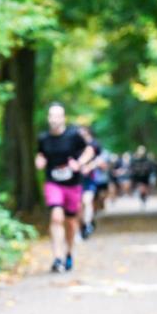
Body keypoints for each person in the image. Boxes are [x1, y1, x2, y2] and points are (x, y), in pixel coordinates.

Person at [35, 103, 94, 272]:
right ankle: (57, 257)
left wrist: (80, 163)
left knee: (70, 221)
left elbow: (89, 150)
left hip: (72, 184)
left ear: (63, 118)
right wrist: (39, 160)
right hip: (53, 183)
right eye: (51, 116)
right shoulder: (43, 138)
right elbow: (40, 154)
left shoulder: (74, 135)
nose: (54, 119)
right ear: (48, 118)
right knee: (56, 217)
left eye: (57, 116)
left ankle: (68, 253)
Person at [77, 126, 105, 239]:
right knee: (79, 206)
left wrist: (89, 167)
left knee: (87, 201)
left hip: (90, 179)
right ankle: (83, 225)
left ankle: (88, 224)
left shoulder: (95, 145)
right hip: (76, 180)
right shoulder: (74, 145)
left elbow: (101, 160)